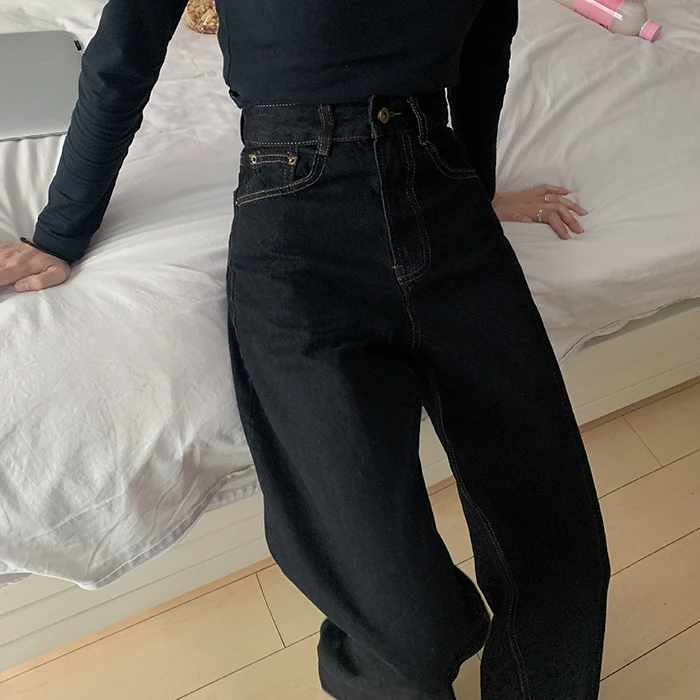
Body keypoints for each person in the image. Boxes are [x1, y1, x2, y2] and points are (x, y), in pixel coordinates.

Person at [0, 2, 610, 699]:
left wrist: (478, 183)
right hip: (297, 222)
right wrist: (60, 233)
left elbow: (485, 49)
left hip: (442, 193)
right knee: (410, 628)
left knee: (564, 561)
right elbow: (121, 57)